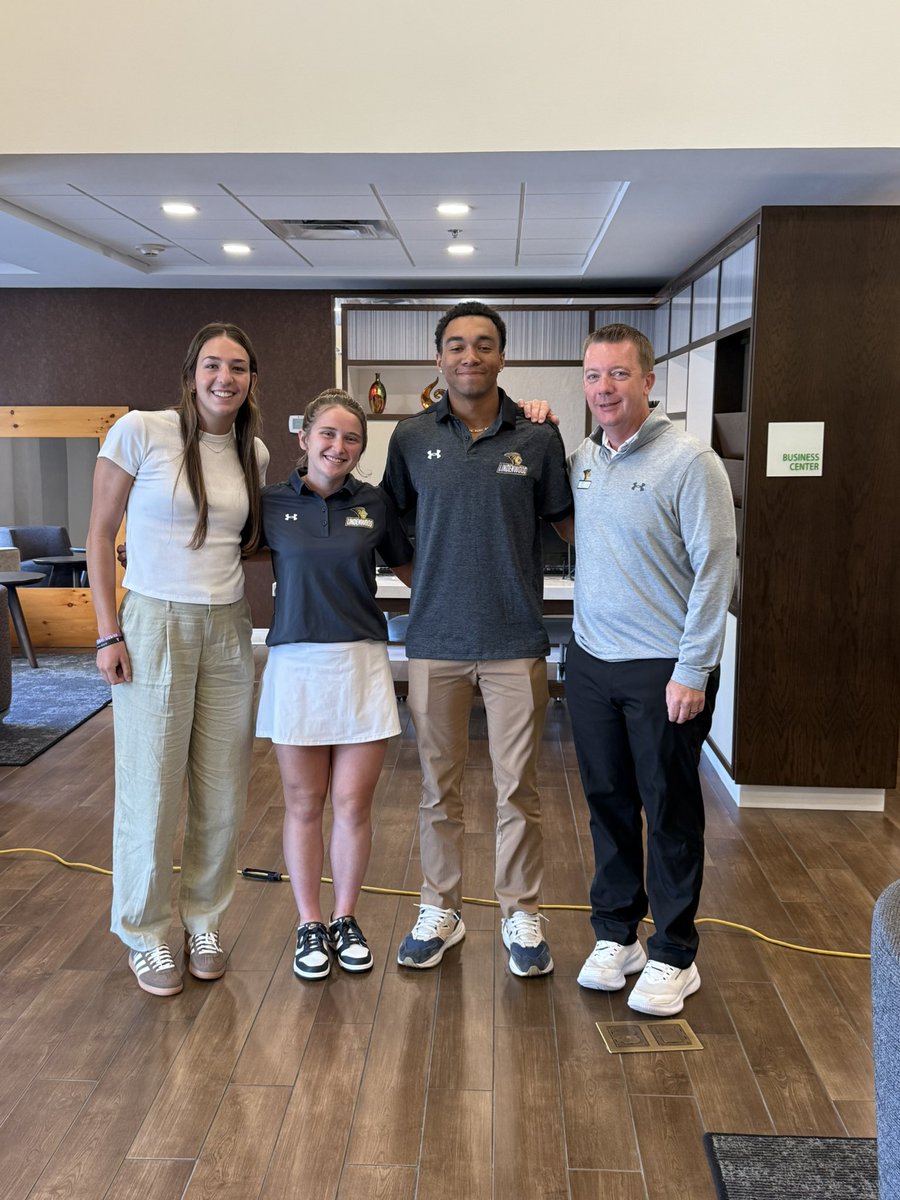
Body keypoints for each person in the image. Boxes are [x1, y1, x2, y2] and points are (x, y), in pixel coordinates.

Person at [382, 301, 574, 978]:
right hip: (434, 639)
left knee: (518, 785)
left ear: (501, 356)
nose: (471, 356)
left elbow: (568, 525)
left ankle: (522, 911)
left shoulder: (538, 440)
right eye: (457, 346)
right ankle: (442, 907)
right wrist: (428, 581)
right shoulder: (408, 438)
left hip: (516, 640)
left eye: (484, 345)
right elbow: (389, 528)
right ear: (439, 358)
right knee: (439, 788)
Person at [86, 322, 269, 997]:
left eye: (240, 368)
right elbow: (101, 534)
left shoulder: (254, 450)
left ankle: (205, 919)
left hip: (228, 628)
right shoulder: (140, 430)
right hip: (152, 622)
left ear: (252, 379)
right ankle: (143, 931)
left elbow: (250, 544)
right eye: (214, 365)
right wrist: (109, 633)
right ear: (192, 371)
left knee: (222, 790)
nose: (226, 378)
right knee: (151, 788)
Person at [562, 322, 736, 1016]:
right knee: (607, 803)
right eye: (593, 376)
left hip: (665, 667)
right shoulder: (583, 457)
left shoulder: (691, 462)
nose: (604, 389)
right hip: (592, 662)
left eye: (618, 375)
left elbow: (717, 567)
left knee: (668, 809)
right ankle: (617, 935)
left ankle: (672, 951)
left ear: (648, 380)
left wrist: (693, 668)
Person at [255, 389, 413, 981]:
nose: (338, 446)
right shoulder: (269, 503)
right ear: (305, 438)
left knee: (352, 803)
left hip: (361, 665)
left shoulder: (375, 504)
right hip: (295, 665)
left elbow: (414, 571)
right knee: (303, 804)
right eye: (328, 434)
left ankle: (345, 918)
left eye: (351, 438)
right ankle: (308, 923)